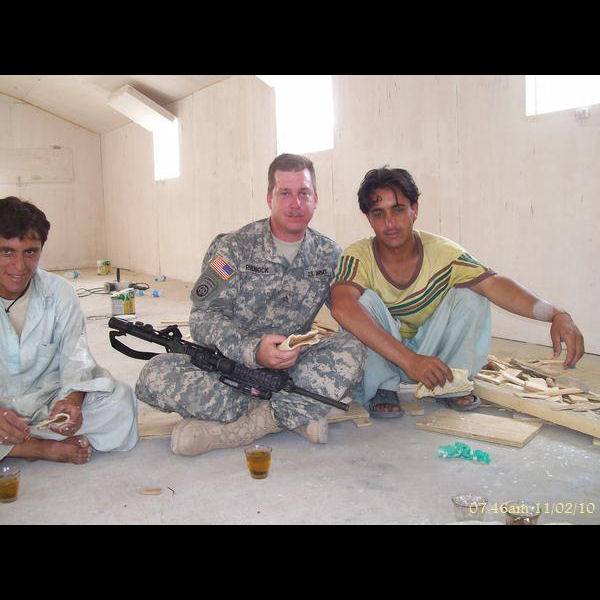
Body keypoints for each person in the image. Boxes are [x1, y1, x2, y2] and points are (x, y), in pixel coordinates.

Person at [135, 153, 366, 455]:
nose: (295, 203)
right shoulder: (233, 247)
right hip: (229, 370)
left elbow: (348, 309)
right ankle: (293, 413)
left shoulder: (328, 254)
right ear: (270, 197)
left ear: (315, 199)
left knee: (352, 350)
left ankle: (245, 426)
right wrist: (252, 350)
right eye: (285, 193)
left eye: (304, 193)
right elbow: (203, 317)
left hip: (290, 370)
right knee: (155, 375)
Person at [330, 167, 585, 418]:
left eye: (398, 209)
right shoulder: (358, 256)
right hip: (385, 356)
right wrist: (409, 360)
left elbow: (495, 284)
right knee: (361, 302)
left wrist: (556, 314)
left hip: (431, 358)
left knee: (472, 294)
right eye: (378, 213)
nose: (389, 223)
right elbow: (341, 306)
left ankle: (451, 383)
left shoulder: (443, 253)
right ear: (369, 219)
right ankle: (382, 387)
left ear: (414, 210)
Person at [0, 196, 138, 464]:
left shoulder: (59, 292)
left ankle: (19, 440)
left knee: (120, 401)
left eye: (30, 252)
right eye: (6, 252)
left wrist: (72, 401)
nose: (19, 266)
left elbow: (76, 357)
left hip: (46, 403)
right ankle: (35, 448)